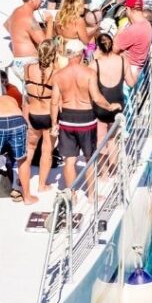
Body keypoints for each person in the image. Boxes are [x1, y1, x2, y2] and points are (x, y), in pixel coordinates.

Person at [50, 39, 122, 191]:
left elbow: (54, 102)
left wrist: (53, 124)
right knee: (90, 158)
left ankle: (72, 195)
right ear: (80, 54)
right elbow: (96, 97)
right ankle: (91, 195)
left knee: (69, 161)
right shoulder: (88, 73)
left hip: (67, 120)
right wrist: (110, 106)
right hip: (86, 120)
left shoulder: (58, 75)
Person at [24, 39, 58, 192]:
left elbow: (26, 94)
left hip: (32, 114)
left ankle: (22, 179)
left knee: (29, 148)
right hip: (48, 115)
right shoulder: (56, 73)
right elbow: (57, 100)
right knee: (46, 152)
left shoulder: (28, 68)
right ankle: (41, 185)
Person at [4, 0, 51, 87]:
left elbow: (7, 25)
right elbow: (46, 45)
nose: (42, 3)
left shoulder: (17, 11)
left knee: (28, 95)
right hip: (28, 62)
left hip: (18, 62)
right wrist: (50, 22)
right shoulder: (29, 18)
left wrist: (22, 36)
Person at [92, 30, 126, 145]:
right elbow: (131, 83)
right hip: (118, 105)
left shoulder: (94, 64)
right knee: (113, 140)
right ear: (112, 44)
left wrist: (93, 57)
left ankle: (102, 163)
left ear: (98, 47)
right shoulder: (122, 60)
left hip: (101, 107)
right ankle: (113, 163)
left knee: (101, 139)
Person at [112, 0, 152, 86]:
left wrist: (120, 31)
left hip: (127, 76)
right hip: (137, 71)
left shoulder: (133, 30)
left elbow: (112, 50)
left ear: (127, 9)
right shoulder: (147, 24)